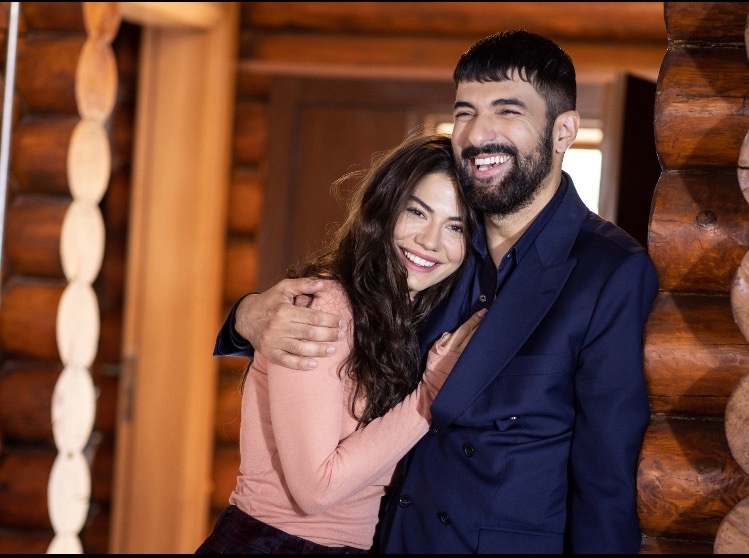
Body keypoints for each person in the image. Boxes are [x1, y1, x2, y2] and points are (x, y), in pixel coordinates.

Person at [215, 30, 659, 553]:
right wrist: (247, 316)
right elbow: (351, 326)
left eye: (507, 111)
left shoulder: (610, 272)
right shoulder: (436, 260)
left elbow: (606, 484)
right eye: (466, 112)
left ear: (563, 132)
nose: (479, 133)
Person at [199, 132, 485, 554]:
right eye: (416, 212)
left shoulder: (405, 319)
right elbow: (316, 489)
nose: (430, 241)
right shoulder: (329, 306)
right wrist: (432, 391)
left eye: (455, 227)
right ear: (384, 209)